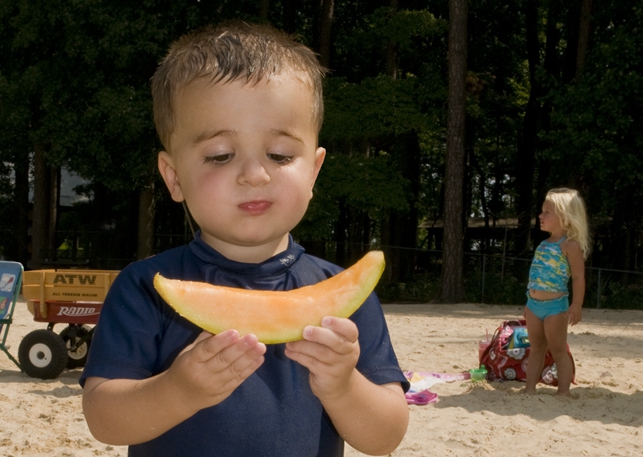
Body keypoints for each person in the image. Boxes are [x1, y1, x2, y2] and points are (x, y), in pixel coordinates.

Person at [80, 22, 410, 456]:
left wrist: (344, 384)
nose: (255, 175)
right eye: (220, 155)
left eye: (279, 155)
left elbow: (384, 438)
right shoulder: (145, 287)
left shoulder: (345, 296)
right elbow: (103, 418)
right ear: (174, 177)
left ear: (313, 171)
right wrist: (178, 390)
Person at [524, 188, 590, 397]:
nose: (540, 216)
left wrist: (577, 304)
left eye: (546, 212)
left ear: (565, 217)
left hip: (555, 307)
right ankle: (529, 389)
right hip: (533, 306)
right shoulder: (543, 245)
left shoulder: (570, 246)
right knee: (535, 349)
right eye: (542, 212)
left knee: (558, 350)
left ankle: (564, 392)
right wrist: (527, 302)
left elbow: (579, 278)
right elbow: (536, 276)